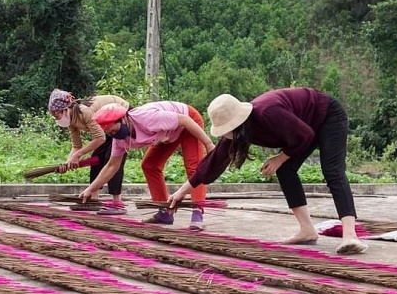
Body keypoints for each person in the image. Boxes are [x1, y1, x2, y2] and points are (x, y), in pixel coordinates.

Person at [167, 88, 368, 254]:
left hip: (327, 115)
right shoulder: (238, 131)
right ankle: (307, 230)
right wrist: (181, 192)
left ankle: (350, 235)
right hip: (303, 128)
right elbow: (211, 163)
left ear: (238, 122)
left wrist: (280, 158)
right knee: (286, 170)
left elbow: (305, 135)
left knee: (332, 171)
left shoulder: (268, 113)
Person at [78, 100, 216, 230]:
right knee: (149, 165)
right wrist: (91, 189)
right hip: (168, 133)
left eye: (114, 130)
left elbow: (185, 120)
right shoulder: (119, 140)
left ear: (124, 119)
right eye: (110, 133)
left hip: (188, 121)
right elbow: (112, 166)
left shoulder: (146, 118)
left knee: (194, 167)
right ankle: (165, 211)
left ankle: (197, 212)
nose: (114, 135)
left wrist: (209, 144)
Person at [48, 88, 129, 215]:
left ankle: (117, 202)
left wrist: (78, 155)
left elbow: (100, 138)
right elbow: (76, 145)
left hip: (119, 118)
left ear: (65, 109)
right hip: (105, 128)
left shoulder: (84, 112)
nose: (57, 119)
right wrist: (69, 161)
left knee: (112, 159)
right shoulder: (71, 121)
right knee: (96, 158)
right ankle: (93, 198)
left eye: (57, 115)